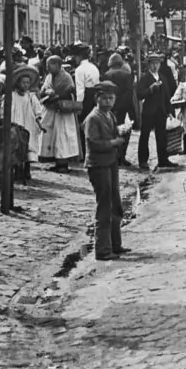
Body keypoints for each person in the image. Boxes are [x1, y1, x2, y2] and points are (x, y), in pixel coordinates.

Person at [83, 81, 132, 261]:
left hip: (110, 162)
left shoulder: (109, 115)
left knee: (115, 203)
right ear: (97, 98)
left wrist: (120, 131)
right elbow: (93, 143)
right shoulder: (93, 118)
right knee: (104, 206)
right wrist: (113, 143)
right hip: (98, 165)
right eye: (104, 98)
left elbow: (110, 133)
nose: (108, 102)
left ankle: (115, 244)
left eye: (111, 98)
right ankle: (102, 249)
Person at [39, 55, 81, 173]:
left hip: (63, 113)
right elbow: (42, 90)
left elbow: (70, 93)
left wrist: (56, 95)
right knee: (52, 137)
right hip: (51, 111)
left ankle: (63, 164)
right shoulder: (48, 77)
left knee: (63, 137)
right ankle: (56, 162)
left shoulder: (66, 77)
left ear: (57, 65)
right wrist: (46, 92)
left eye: (49, 65)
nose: (47, 68)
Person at [136, 53, 176, 170]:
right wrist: (150, 89)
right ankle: (143, 160)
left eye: (157, 63)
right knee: (145, 135)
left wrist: (169, 111)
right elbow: (139, 94)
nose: (155, 66)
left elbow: (166, 95)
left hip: (161, 111)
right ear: (149, 65)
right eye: (153, 63)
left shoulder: (163, 78)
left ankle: (163, 159)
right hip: (149, 111)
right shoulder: (145, 78)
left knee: (162, 136)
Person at [5, 64, 44, 179]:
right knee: (16, 146)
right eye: (23, 82)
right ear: (18, 82)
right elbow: (5, 109)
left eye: (28, 83)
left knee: (28, 146)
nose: (26, 85)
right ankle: (16, 170)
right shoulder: (11, 96)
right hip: (16, 123)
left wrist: (40, 124)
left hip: (29, 124)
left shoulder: (31, 97)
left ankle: (26, 170)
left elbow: (37, 111)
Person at [104, 52, 135, 167]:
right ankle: (122, 157)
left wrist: (112, 104)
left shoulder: (106, 75)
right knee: (123, 132)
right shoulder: (127, 75)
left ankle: (112, 156)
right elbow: (129, 93)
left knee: (110, 132)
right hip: (123, 109)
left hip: (109, 108)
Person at [73, 43, 100, 156]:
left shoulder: (79, 70)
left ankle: (85, 152)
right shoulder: (94, 67)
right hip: (95, 96)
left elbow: (80, 89)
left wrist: (79, 106)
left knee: (83, 125)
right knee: (93, 124)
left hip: (85, 97)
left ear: (79, 56)